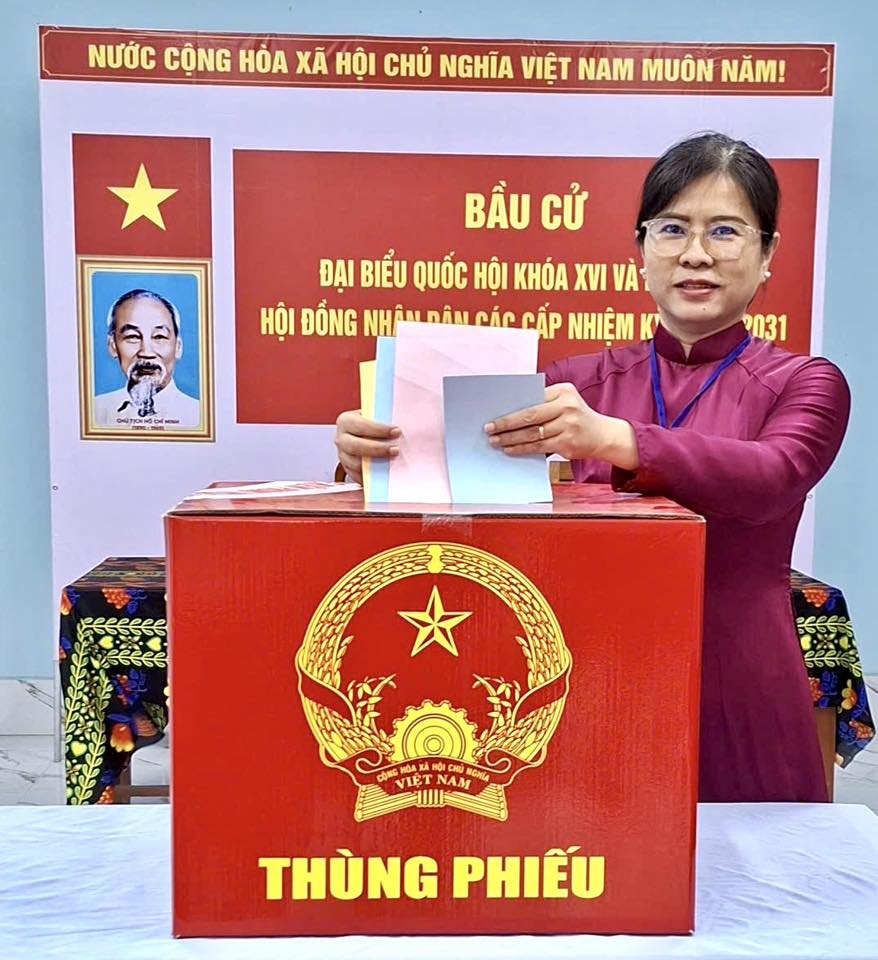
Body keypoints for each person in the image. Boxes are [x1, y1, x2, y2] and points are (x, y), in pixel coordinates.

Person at [335, 132, 850, 803]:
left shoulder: (805, 383)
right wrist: (369, 455)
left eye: (725, 230)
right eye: (672, 229)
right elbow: (447, 466)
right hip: (593, 681)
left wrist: (617, 440)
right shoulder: (578, 383)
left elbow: (772, 476)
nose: (696, 253)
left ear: (768, 254)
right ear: (641, 251)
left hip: (738, 682)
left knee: (748, 859)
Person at [93, 288, 201, 428]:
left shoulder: (199, 416)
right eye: (133, 337)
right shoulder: (94, 411)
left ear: (178, 347)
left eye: (159, 337)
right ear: (113, 346)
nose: (146, 352)